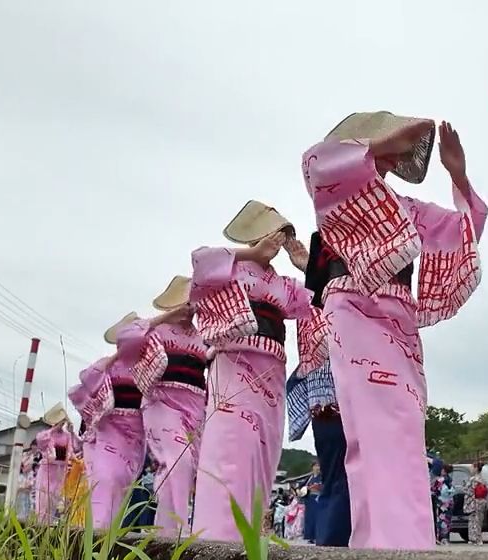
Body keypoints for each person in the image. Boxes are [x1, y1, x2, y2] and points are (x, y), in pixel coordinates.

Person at [301, 113, 488, 550]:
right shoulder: (338, 204)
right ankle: (397, 546)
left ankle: (386, 544)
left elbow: (464, 232)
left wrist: (458, 177)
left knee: (400, 429)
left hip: (399, 320)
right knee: (375, 427)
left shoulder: (410, 210)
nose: (387, 160)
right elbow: (319, 165)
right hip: (352, 313)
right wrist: (388, 140)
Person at [189, 203, 314, 542]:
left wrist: (306, 263)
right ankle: (217, 539)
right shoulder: (230, 268)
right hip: (233, 365)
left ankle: (250, 540)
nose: (275, 241)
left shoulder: (283, 284)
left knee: (263, 455)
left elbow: (316, 302)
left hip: (271, 371)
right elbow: (200, 261)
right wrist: (249, 252)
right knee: (230, 452)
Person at [118, 281, 207, 537]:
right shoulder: (156, 331)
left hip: (195, 409)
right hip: (162, 404)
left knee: (184, 468)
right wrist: (165, 317)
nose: (190, 309)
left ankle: (164, 530)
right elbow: (124, 338)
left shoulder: (201, 337)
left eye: (193, 303)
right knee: (180, 460)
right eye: (186, 303)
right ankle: (178, 530)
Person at [69, 312, 147, 530]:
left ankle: (110, 535)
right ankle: (98, 534)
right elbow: (86, 378)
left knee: (123, 485)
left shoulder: (146, 365)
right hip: (110, 430)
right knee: (107, 479)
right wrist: (117, 357)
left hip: (136, 434)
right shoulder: (109, 367)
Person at [286, 361, 351, 547]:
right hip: (346, 404)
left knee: (333, 479)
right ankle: (336, 540)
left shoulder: (312, 339)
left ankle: (329, 540)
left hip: (320, 406)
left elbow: (294, 381)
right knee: (343, 477)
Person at [33, 405, 75, 523]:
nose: (61, 424)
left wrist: (72, 432)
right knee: (43, 498)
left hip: (59, 471)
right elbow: (40, 441)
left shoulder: (67, 436)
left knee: (54, 500)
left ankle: (49, 524)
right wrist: (53, 429)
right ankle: (40, 523)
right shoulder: (47, 434)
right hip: (47, 470)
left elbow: (71, 450)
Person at [462, 462, 488, 546]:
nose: (471, 469)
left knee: (474, 521)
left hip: (475, 501)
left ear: (476, 468)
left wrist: (464, 486)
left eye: (472, 467)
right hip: (482, 501)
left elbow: (468, 490)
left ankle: (475, 539)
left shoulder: (473, 479)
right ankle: (477, 538)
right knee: (479, 520)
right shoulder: (482, 479)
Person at [302, 462, 322, 544]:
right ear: (312, 467)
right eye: (315, 466)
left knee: (317, 518)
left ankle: (317, 536)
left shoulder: (321, 477)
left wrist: (317, 486)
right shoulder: (309, 478)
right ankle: (310, 537)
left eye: (318, 466)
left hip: (317, 499)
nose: (317, 467)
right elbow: (302, 486)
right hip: (309, 500)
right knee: (309, 518)